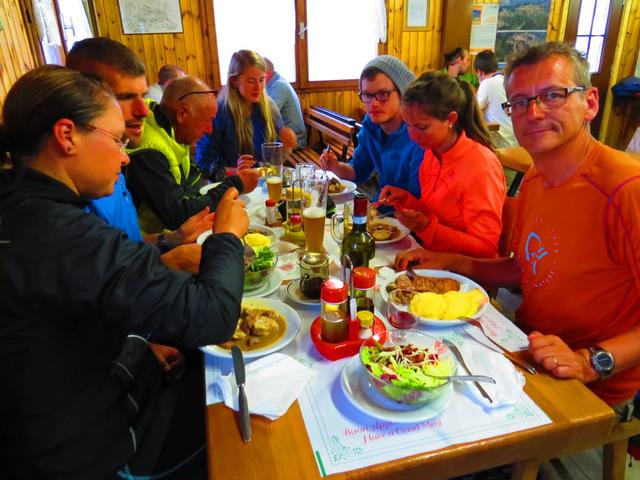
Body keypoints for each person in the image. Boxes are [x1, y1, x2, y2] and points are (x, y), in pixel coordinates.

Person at [0, 65, 248, 479]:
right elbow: (213, 317)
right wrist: (227, 237)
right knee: (244, 442)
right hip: (91, 455)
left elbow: (69, 322)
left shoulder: (24, 205)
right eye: (115, 140)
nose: (122, 155)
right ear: (66, 136)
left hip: (73, 407)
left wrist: (135, 347)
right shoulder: (62, 233)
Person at [396, 42, 640, 418]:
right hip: (523, 342)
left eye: (553, 95)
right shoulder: (536, 179)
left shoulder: (627, 188)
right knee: (404, 366)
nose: (534, 112)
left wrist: (590, 362)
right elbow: (524, 269)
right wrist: (449, 261)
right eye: (520, 102)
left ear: (590, 102)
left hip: (592, 382)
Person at [380, 71, 505, 258]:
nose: (412, 136)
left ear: (451, 120)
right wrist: (406, 200)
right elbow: (436, 213)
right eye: (408, 125)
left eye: (422, 127)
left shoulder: (480, 166)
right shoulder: (432, 153)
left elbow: (485, 247)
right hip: (431, 253)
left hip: (465, 273)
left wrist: (425, 228)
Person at [126, 75, 259, 233]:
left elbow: (196, 182)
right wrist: (236, 184)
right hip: (149, 247)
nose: (210, 129)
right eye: (208, 120)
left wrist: (228, 176)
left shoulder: (171, 133)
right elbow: (180, 216)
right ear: (182, 113)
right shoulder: (148, 150)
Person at [321, 55, 424, 199]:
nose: (373, 104)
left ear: (403, 93)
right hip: (382, 210)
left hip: (410, 216)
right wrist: (336, 167)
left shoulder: (419, 137)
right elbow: (358, 170)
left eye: (383, 94)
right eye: (367, 95)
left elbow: (422, 202)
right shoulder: (371, 125)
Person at [195, 50, 297, 180]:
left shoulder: (269, 107)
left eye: (261, 80)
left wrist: (285, 147)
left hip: (262, 185)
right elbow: (203, 166)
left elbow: (273, 162)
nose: (258, 87)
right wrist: (235, 171)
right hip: (229, 186)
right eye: (251, 81)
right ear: (234, 81)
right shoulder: (220, 112)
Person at [474, 49, 518, 148]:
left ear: (479, 72)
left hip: (500, 141)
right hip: (514, 139)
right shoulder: (505, 80)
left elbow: (474, 111)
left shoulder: (488, 83)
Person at [264, 57, 307, 147]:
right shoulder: (274, 83)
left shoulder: (279, 86)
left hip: (296, 140)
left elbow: (267, 115)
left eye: (260, 76)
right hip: (285, 137)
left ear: (266, 74)